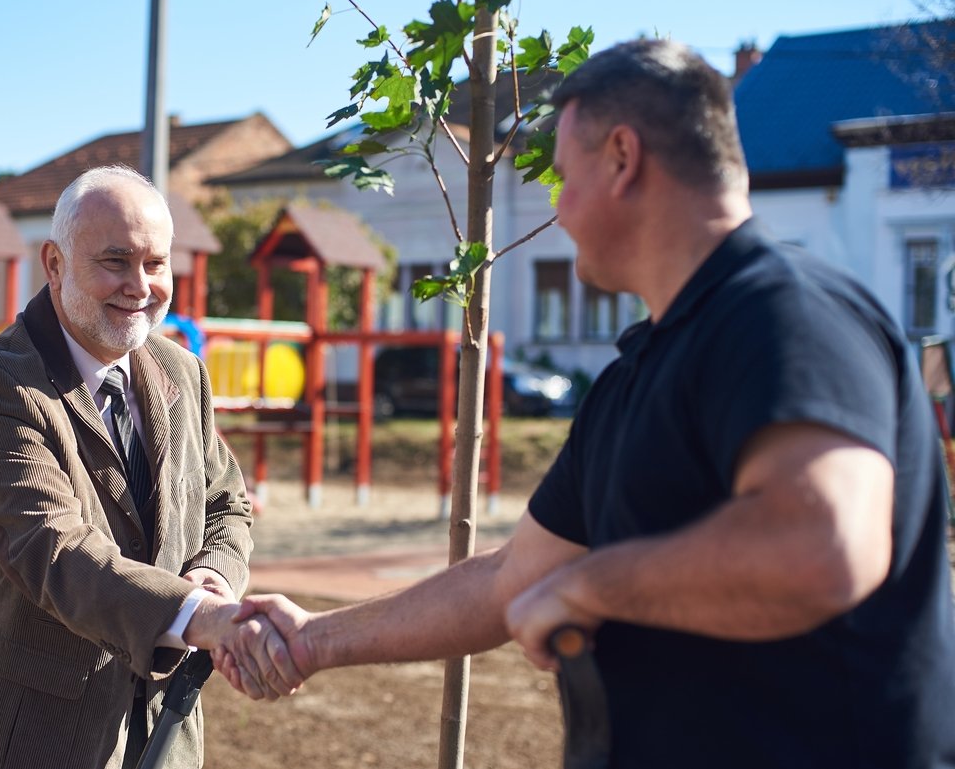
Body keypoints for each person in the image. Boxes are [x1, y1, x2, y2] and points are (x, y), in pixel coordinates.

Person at [220, 39, 955, 768]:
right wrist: (313, 638)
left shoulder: (786, 314)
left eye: (563, 178)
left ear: (622, 157)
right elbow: (512, 578)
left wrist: (592, 585)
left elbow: (821, 545)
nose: (558, 211)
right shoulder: (635, 374)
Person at [0, 165, 296, 769]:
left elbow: (225, 502)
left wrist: (215, 575)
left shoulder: (182, 372)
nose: (140, 285)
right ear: (54, 263)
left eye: (155, 264)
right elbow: (51, 548)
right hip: (37, 739)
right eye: (115, 260)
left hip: (167, 733)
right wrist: (202, 617)